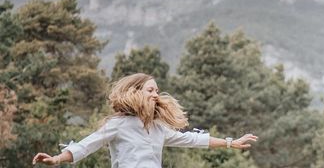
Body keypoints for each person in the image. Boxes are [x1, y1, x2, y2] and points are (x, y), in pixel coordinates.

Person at [32, 73, 258, 167]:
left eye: (157, 90)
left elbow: (193, 140)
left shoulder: (158, 128)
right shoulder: (118, 125)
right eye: (150, 89)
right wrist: (57, 159)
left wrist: (230, 143)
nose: (155, 94)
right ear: (135, 92)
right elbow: (86, 145)